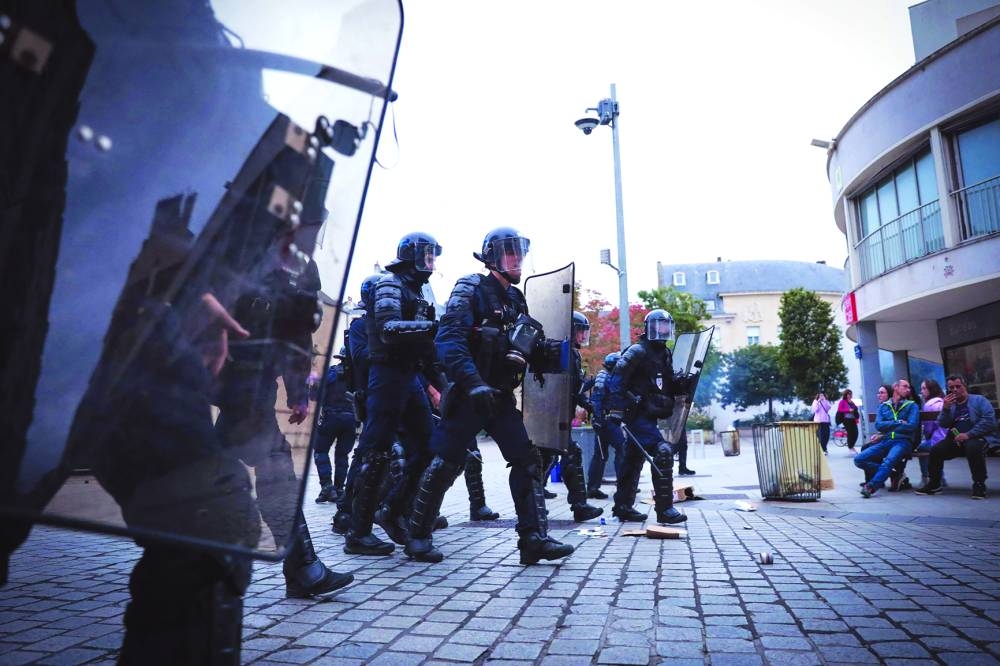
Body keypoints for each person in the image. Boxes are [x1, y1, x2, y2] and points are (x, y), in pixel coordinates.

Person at [1, 3, 400, 661]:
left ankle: (300, 562)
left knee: (210, 515)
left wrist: (199, 294)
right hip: (32, 294)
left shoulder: (232, 86)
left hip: (134, 320)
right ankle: (308, 559)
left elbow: (254, 238)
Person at [404, 227, 575, 564]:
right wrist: (472, 383)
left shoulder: (515, 299)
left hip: (499, 397)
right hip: (469, 395)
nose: (517, 258)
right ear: (492, 256)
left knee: (527, 460)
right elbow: (449, 341)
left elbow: (529, 348)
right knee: (445, 464)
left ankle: (533, 540)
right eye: (510, 252)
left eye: (520, 252)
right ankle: (418, 536)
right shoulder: (471, 288)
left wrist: (561, 353)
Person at [345, 233, 442, 556]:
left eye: (433, 256)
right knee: (376, 451)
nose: (431, 262)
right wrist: (432, 329)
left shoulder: (417, 290)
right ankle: (357, 532)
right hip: (386, 373)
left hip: (409, 373)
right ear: (410, 255)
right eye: (426, 255)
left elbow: (424, 342)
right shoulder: (390, 283)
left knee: (429, 447)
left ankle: (393, 510)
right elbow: (388, 329)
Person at [611, 310, 694, 525]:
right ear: (649, 327)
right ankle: (665, 510)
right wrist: (616, 411)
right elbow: (616, 380)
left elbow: (666, 384)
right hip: (635, 414)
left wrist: (683, 382)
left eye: (666, 325)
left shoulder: (664, 354)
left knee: (633, 459)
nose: (663, 329)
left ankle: (623, 507)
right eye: (659, 325)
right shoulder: (637, 351)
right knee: (663, 452)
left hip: (649, 413)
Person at [539, 312, 603, 522]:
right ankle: (578, 506)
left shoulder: (572, 354)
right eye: (580, 330)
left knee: (547, 459)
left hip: (557, 416)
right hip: (549, 415)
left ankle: (541, 505)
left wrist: (589, 404)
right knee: (562, 455)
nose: (584, 335)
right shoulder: (560, 351)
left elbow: (573, 389)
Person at [332, 274, 381, 535]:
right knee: (366, 455)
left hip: (391, 395)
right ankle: (345, 511)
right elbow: (361, 357)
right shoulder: (361, 326)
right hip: (371, 397)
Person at [916, 374, 998, 499]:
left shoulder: (979, 400)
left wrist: (969, 434)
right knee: (936, 449)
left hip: (977, 438)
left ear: (964, 386)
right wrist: (946, 409)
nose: (954, 390)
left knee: (973, 447)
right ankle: (935, 484)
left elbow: (989, 421)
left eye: (958, 386)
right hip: (955, 440)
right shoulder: (951, 404)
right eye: (951, 387)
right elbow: (943, 423)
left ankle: (979, 484)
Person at [854, 379, 919, 497]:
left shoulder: (911, 405)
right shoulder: (884, 406)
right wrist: (899, 422)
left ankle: (870, 487)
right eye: (905, 386)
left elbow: (911, 426)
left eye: (909, 387)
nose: (908, 389)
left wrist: (889, 425)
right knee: (859, 459)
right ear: (896, 387)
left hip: (903, 441)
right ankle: (893, 474)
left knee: (888, 461)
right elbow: (879, 425)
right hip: (886, 440)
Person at [312, 349, 358, 504]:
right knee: (342, 455)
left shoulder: (330, 373)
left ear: (340, 358)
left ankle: (327, 486)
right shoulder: (358, 376)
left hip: (330, 418)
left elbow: (314, 395)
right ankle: (338, 489)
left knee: (320, 451)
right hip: (350, 420)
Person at [587, 352, 626, 499]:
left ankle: (593, 487)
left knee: (601, 455)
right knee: (621, 448)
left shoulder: (610, 377)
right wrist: (598, 419)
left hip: (606, 421)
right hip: (606, 421)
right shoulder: (604, 377)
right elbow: (597, 399)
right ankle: (623, 485)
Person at [915, 379, 948, 487]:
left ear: (931, 389)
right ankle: (940, 477)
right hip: (949, 438)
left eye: (924, 388)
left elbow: (928, 429)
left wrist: (927, 436)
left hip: (938, 439)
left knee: (922, 448)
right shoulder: (943, 401)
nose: (922, 391)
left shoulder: (929, 404)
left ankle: (927, 477)